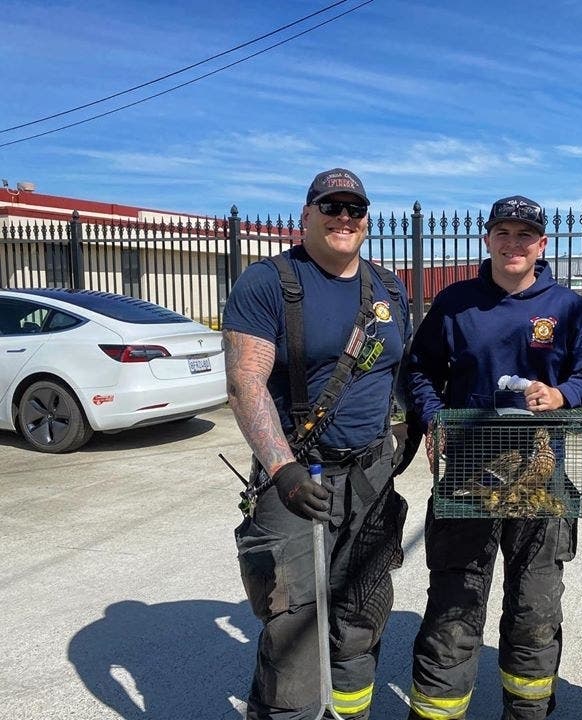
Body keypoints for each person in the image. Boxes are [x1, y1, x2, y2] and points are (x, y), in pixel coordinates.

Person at [405, 195, 582, 720]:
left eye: (525, 235)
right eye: (504, 233)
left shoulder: (567, 307)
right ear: (488, 239)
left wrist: (562, 395)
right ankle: (437, 711)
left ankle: (527, 712)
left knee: (535, 606)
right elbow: (420, 372)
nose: (513, 244)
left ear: (542, 244)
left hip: (544, 475)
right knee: (456, 600)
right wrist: (433, 417)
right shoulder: (456, 303)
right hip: (470, 474)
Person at [222, 168, 413, 720]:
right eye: (331, 207)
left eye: (355, 209)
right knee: (294, 622)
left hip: (371, 477)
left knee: (361, 610)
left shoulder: (389, 287)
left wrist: (415, 428)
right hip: (299, 479)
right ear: (306, 214)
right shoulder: (270, 282)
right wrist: (282, 469)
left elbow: (400, 369)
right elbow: (244, 383)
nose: (344, 218)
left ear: (367, 221)